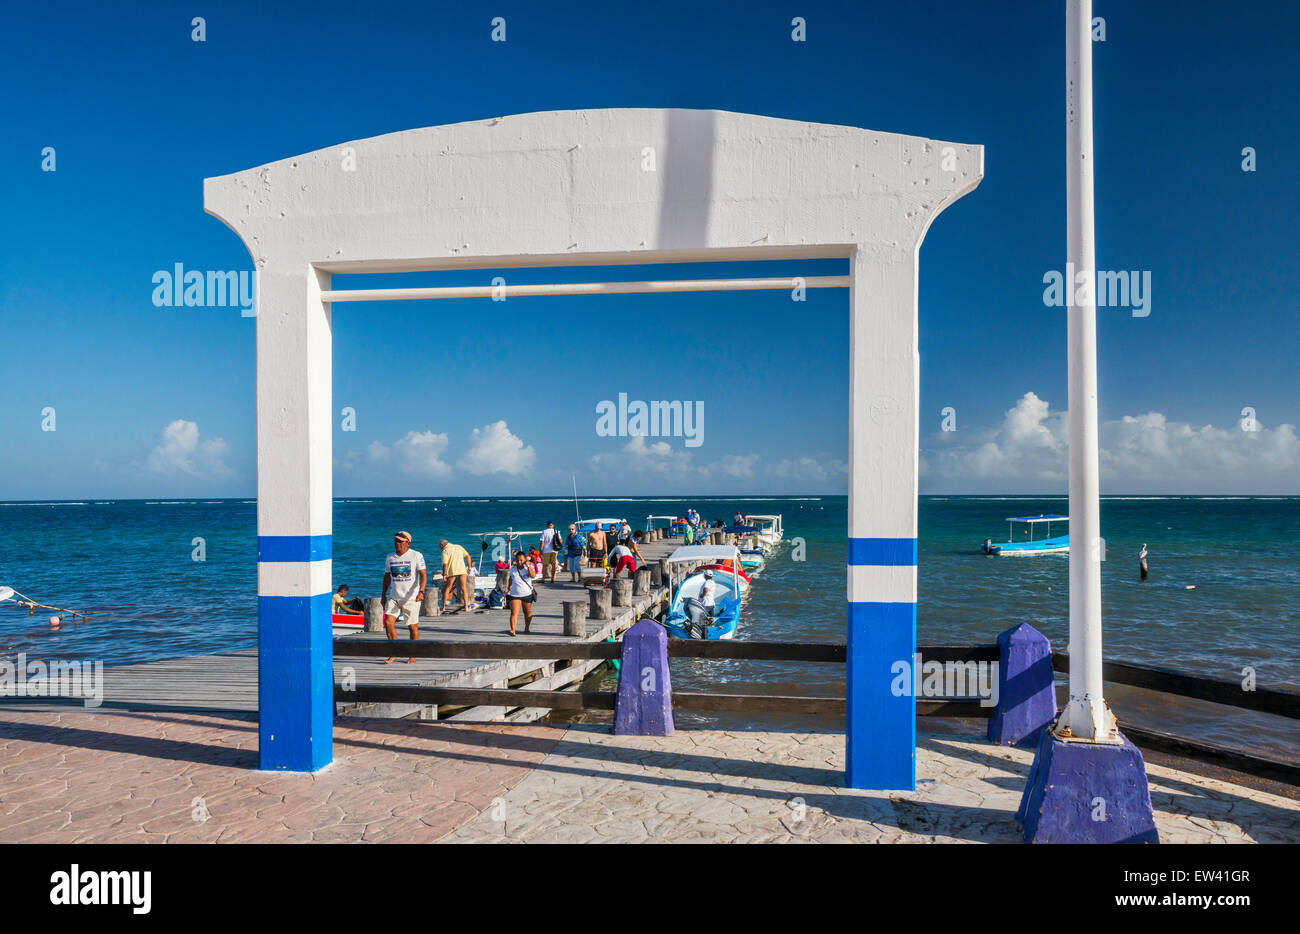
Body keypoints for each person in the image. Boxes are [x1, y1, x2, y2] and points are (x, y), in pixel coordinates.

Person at [381, 531, 426, 664]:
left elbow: (423, 574)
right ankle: (395, 651)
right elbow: (387, 576)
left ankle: (413, 654)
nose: (398, 543)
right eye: (396, 541)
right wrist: (383, 594)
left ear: (408, 543)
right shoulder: (390, 557)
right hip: (394, 596)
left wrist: (421, 591)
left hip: (411, 597)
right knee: (388, 622)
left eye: (401, 541)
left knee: (412, 626)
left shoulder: (416, 555)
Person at [439, 538, 475, 614]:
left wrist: (444, 574)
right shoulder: (458, 546)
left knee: (447, 588)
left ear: (442, 545)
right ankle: (466, 607)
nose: (440, 548)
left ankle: (443, 607)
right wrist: (469, 567)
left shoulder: (445, 551)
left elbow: (445, 564)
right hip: (462, 569)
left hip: (452, 571)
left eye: (440, 546)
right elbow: (468, 556)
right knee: (464, 588)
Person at [507, 551, 536, 636]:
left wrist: (529, 566)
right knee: (514, 612)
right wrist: (509, 586)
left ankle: (527, 628)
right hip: (515, 594)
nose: (519, 562)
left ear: (525, 560)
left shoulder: (528, 568)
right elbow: (511, 578)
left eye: (521, 560)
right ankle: (513, 630)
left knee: (527, 612)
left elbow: (533, 576)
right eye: (517, 560)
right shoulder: (513, 569)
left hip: (527, 594)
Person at [681, 569, 716, 638]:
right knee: (711, 619)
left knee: (702, 620)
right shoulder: (713, 582)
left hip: (705, 604)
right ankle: (711, 630)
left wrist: (702, 595)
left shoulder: (707, 582)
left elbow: (705, 589)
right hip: (711, 604)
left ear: (705, 575)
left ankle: (702, 634)